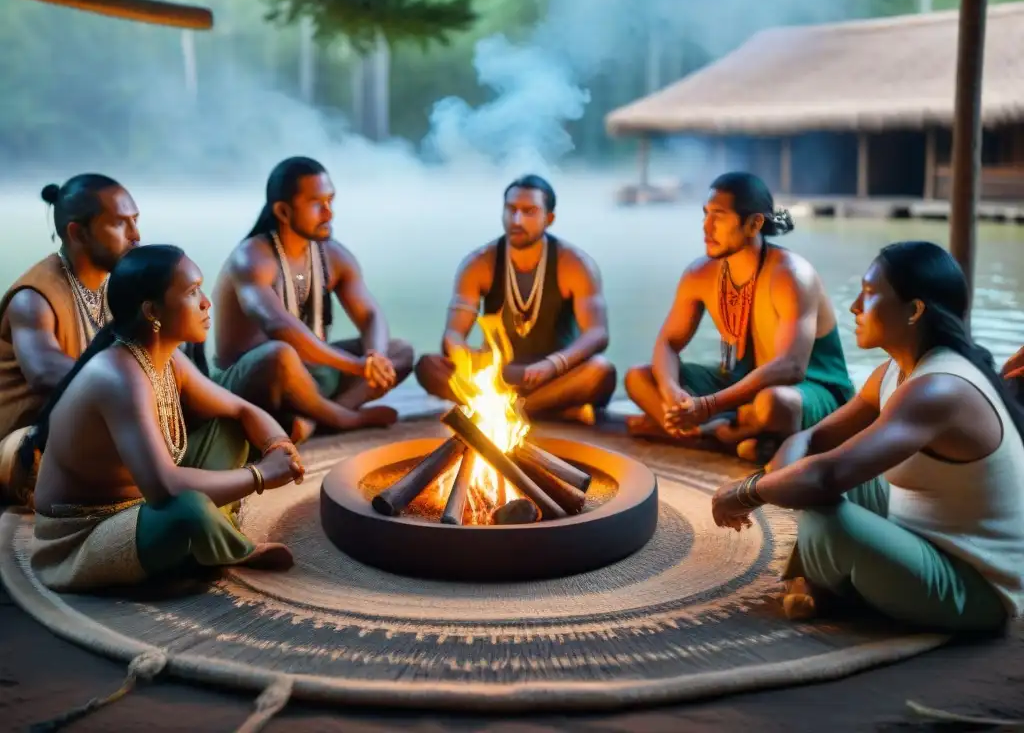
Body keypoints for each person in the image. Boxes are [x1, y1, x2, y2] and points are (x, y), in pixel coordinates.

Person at [711, 241, 1024, 632]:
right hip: (919, 531)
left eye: (870, 293)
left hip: (976, 589)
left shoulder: (939, 389)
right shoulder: (894, 371)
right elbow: (814, 439)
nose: (855, 306)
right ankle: (824, 580)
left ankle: (823, 583)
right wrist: (786, 477)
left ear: (914, 310)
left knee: (827, 520)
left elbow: (824, 477)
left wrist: (748, 491)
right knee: (819, 484)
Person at [28, 244, 305, 593]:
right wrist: (261, 474)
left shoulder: (168, 360)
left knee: (230, 426)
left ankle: (206, 540)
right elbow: (165, 488)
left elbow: (242, 410)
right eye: (192, 293)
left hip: (144, 505)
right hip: (85, 534)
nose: (207, 302)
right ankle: (221, 544)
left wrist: (279, 446)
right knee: (187, 508)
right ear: (152, 311)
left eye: (202, 288)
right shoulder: (117, 375)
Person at [624, 171, 855, 462]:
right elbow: (668, 343)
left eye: (718, 216)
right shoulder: (700, 274)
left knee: (774, 403)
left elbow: (791, 368)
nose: (707, 227)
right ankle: (718, 435)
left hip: (810, 390)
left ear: (754, 223)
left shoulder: (792, 275)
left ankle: (715, 431)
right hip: (738, 387)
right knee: (639, 377)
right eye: (705, 215)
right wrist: (672, 394)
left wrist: (707, 405)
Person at [211, 157, 413, 442]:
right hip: (260, 382)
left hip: (314, 377)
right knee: (280, 355)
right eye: (317, 203)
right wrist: (355, 366)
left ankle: (316, 419)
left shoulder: (333, 256)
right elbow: (280, 329)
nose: (329, 214)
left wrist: (375, 356)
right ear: (283, 211)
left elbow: (370, 316)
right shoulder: (253, 258)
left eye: (330, 201)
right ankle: (345, 418)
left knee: (399, 351)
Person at [414, 174, 616, 423]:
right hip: (501, 374)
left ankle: (502, 411)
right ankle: (547, 410)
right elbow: (453, 334)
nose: (517, 220)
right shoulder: (479, 263)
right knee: (428, 366)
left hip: (553, 375)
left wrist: (553, 365)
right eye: (511, 210)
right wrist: (466, 356)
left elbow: (597, 334)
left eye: (529, 211)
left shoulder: (574, 264)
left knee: (600, 371)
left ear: (549, 218)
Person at [0, 175, 141, 506]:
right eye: (121, 224)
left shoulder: (116, 287)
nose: (136, 235)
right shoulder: (33, 298)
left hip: (85, 433)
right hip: (28, 442)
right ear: (78, 233)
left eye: (136, 221)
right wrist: (134, 382)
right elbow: (45, 371)